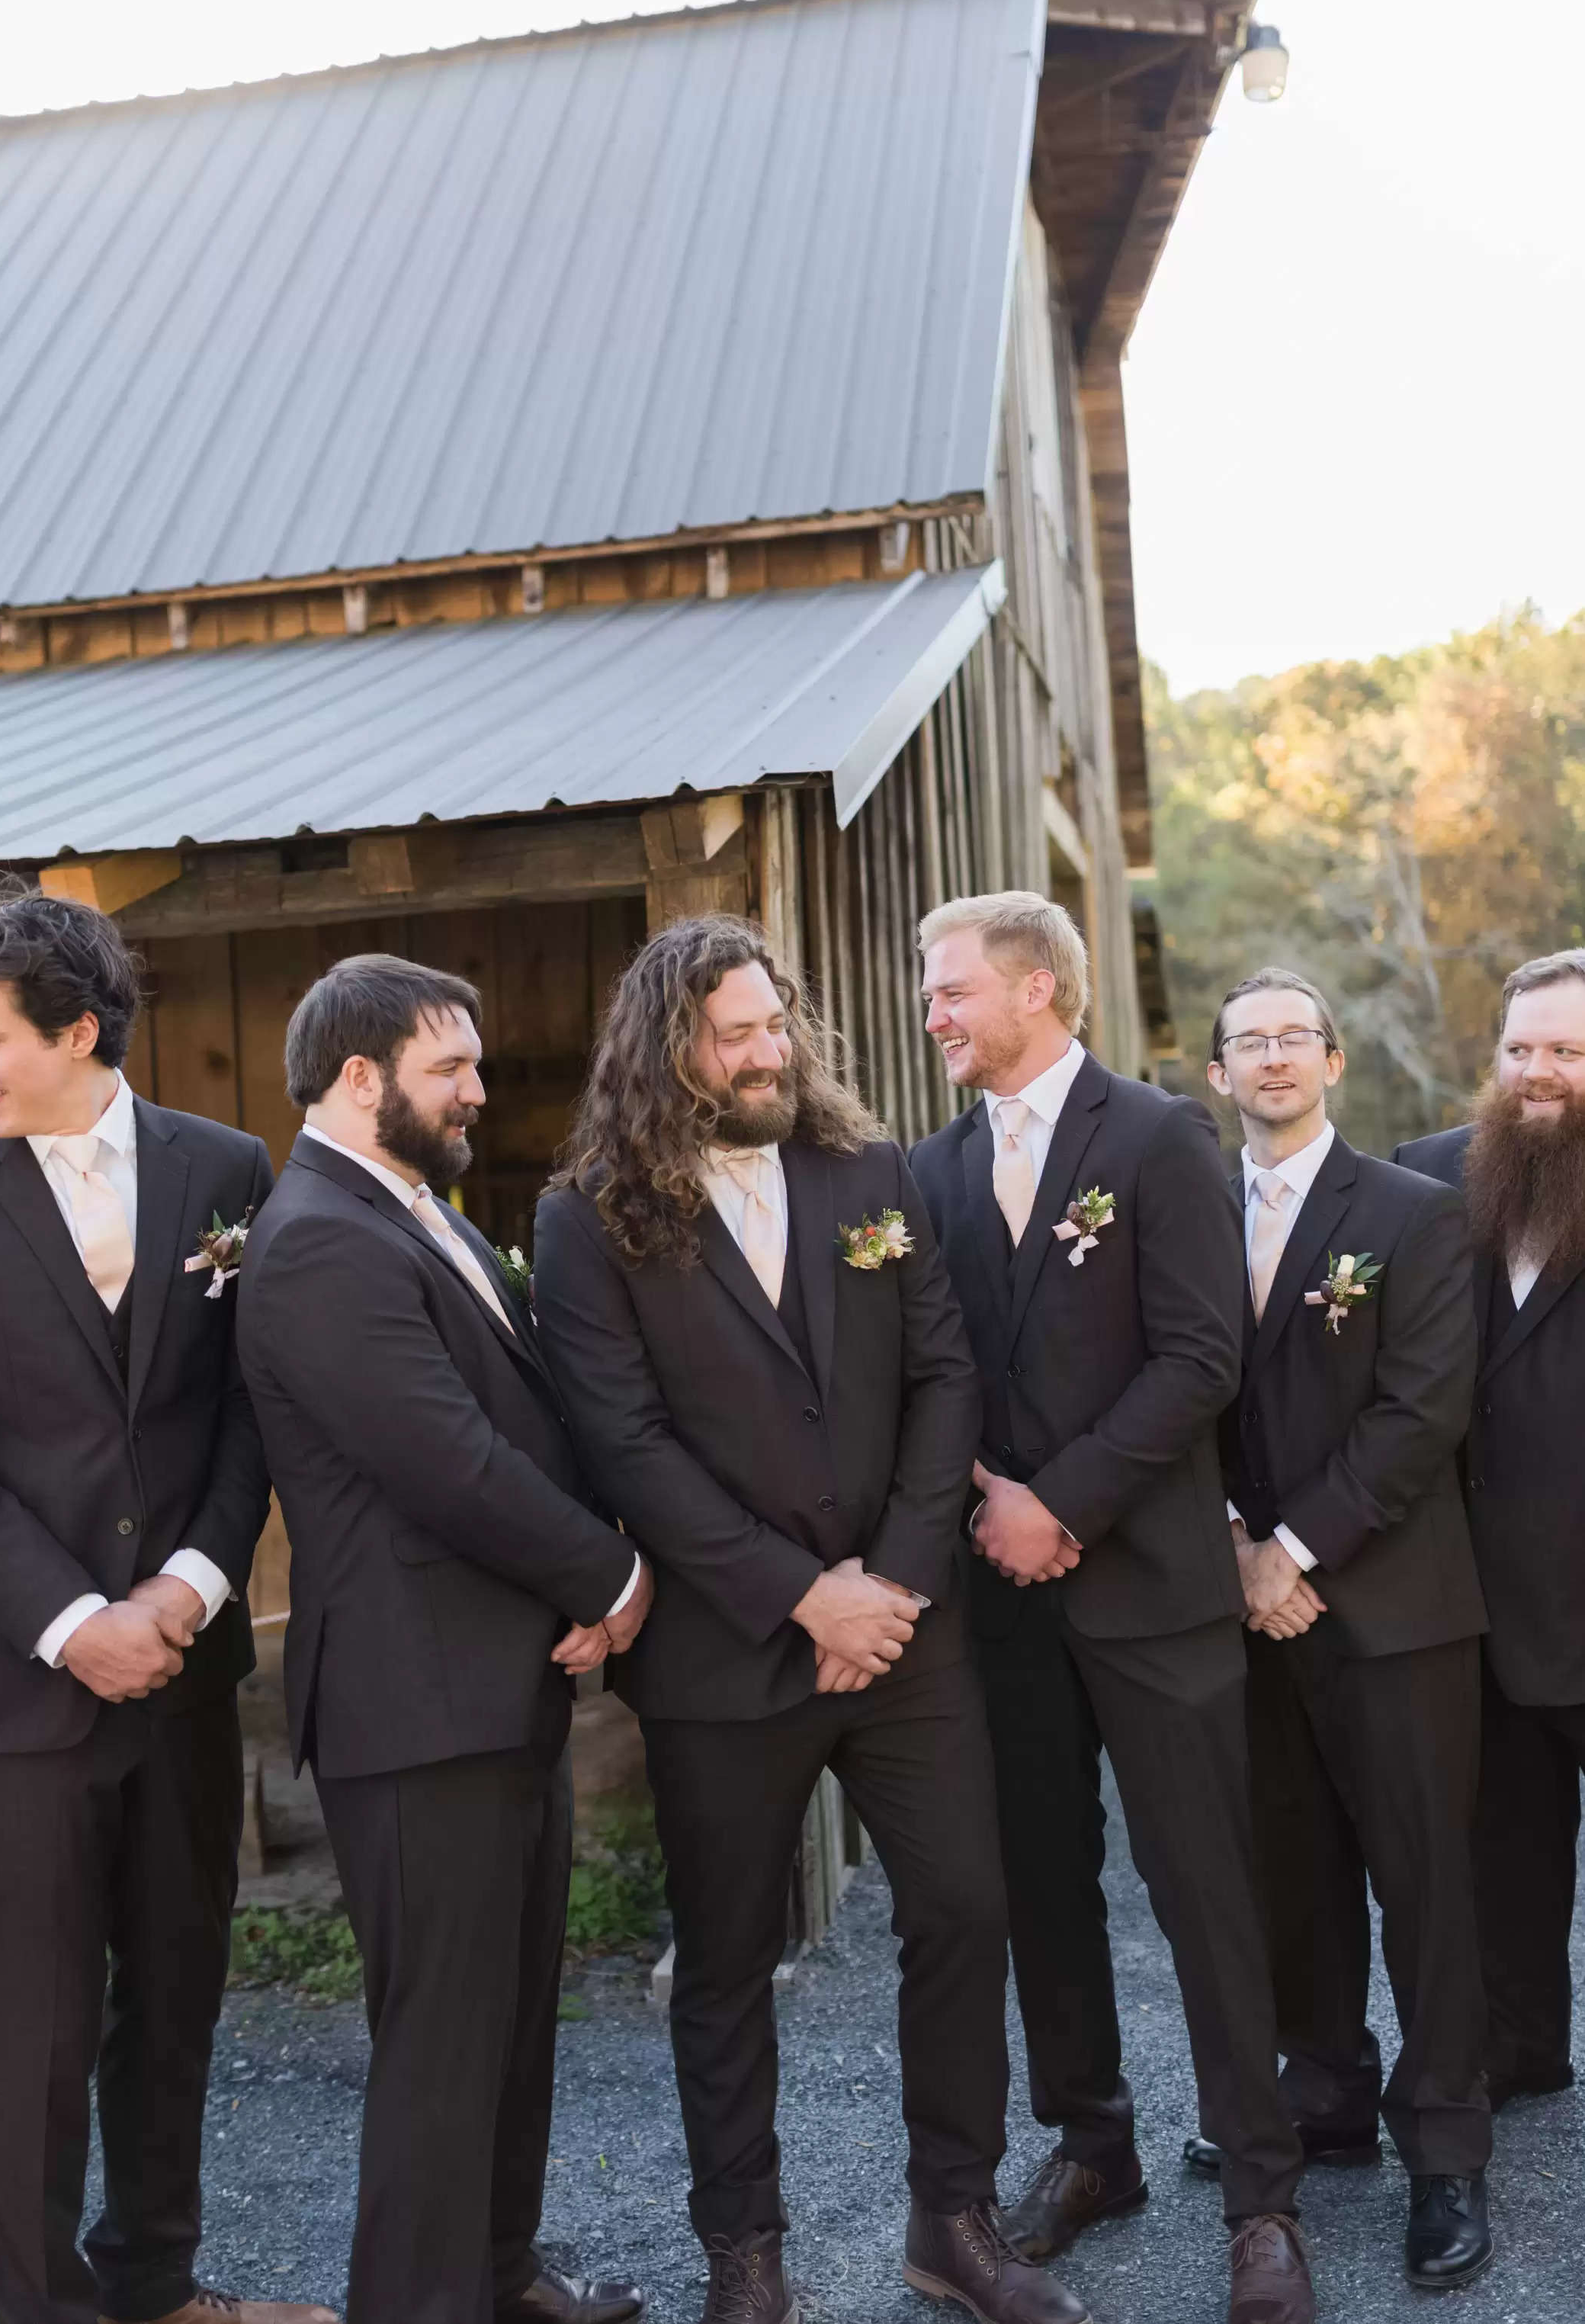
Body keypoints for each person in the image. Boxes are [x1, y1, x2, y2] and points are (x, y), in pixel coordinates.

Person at [534, 914, 1089, 2324]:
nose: (769, 1052)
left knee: (964, 1913)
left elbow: (943, 1377)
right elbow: (624, 1443)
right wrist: (801, 1594)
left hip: (905, 1642)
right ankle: (749, 2259)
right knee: (724, 1962)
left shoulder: (866, 1167)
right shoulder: (589, 1211)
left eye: (777, 1024)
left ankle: (951, 2221)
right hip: (727, 1657)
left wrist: (890, 1586)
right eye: (737, 1033)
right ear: (672, 1047)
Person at [910, 893, 1313, 2324]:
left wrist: (1058, 1504)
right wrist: (980, 1503)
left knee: (1203, 1882)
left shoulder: (1156, 1139)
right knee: (1043, 1884)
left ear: (1037, 987)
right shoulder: (933, 1166)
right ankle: (1095, 2146)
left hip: (1149, 1588)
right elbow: (936, 1360)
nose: (936, 1013)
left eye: (953, 990)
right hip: (1001, 1606)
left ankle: (1263, 2195)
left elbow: (1204, 1357)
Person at [235, 955, 651, 2324]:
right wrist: (612, 1574)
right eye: (450, 1067)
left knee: (512, 2022)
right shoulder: (315, 1239)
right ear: (360, 1078)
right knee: (439, 2043)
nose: (478, 1089)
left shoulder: (420, 1214)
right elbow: (448, 1461)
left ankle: (496, 2272)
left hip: (488, 1691)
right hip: (412, 1710)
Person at [0, 891, 316, 2324]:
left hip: (185, 1667)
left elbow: (254, 1408)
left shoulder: (224, 1168)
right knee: (32, 2030)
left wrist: (187, 1585)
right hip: (20, 1681)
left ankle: (157, 2288)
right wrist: (70, 1619)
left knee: (176, 1994)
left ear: (80, 1030)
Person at [1205, 966, 1491, 2289]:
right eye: (1245, 1041)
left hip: (1389, 1606)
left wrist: (1295, 1551)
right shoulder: (1185, 1213)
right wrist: (1233, 1548)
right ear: (1215, 1075)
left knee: (1424, 1883)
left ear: (1331, 1063)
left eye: (1292, 1038)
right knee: (1294, 1876)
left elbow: (1423, 1410)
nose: (1271, 1057)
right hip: (1244, 1611)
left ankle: (1445, 2151)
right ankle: (1323, 2093)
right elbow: (1165, 1390)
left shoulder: (1416, 1216)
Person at [1395, 948, 1585, 2116]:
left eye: (1569, 1051)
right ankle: (1523, 2047)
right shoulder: (1424, 1182)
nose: (1541, 1072)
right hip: (1478, 1605)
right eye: (1522, 1048)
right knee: (1505, 1857)